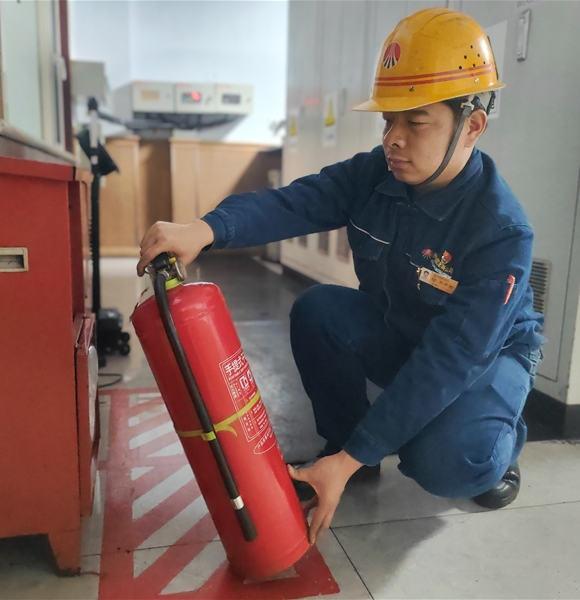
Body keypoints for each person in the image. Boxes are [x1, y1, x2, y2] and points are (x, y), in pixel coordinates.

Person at [137, 8, 545, 545]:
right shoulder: (374, 174)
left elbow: (452, 359)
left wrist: (357, 455)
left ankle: (500, 445)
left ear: (471, 126)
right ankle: (346, 450)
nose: (393, 139)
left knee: (447, 462)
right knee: (320, 310)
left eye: (415, 121)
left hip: (484, 358)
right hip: (404, 331)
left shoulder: (499, 231)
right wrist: (206, 229)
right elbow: (297, 202)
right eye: (388, 121)